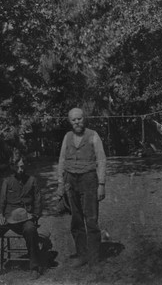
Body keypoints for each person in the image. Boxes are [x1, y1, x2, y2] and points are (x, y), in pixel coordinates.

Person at [57, 107, 107, 268]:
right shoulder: (67, 137)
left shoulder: (93, 135)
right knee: (76, 220)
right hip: (71, 181)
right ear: (70, 122)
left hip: (89, 180)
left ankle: (93, 257)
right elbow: (62, 160)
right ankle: (82, 254)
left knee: (91, 220)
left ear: (84, 119)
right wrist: (60, 183)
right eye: (74, 120)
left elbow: (101, 160)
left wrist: (101, 184)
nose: (77, 122)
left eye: (79, 119)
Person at [0, 150, 42, 280]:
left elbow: (38, 201)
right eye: (17, 167)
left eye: (21, 166)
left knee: (30, 229)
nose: (20, 170)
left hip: (26, 217)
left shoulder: (32, 181)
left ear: (25, 165)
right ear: (12, 167)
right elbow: (2, 200)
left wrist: (35, 216)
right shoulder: (7, 181)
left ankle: (34, 267)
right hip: (8, 218)